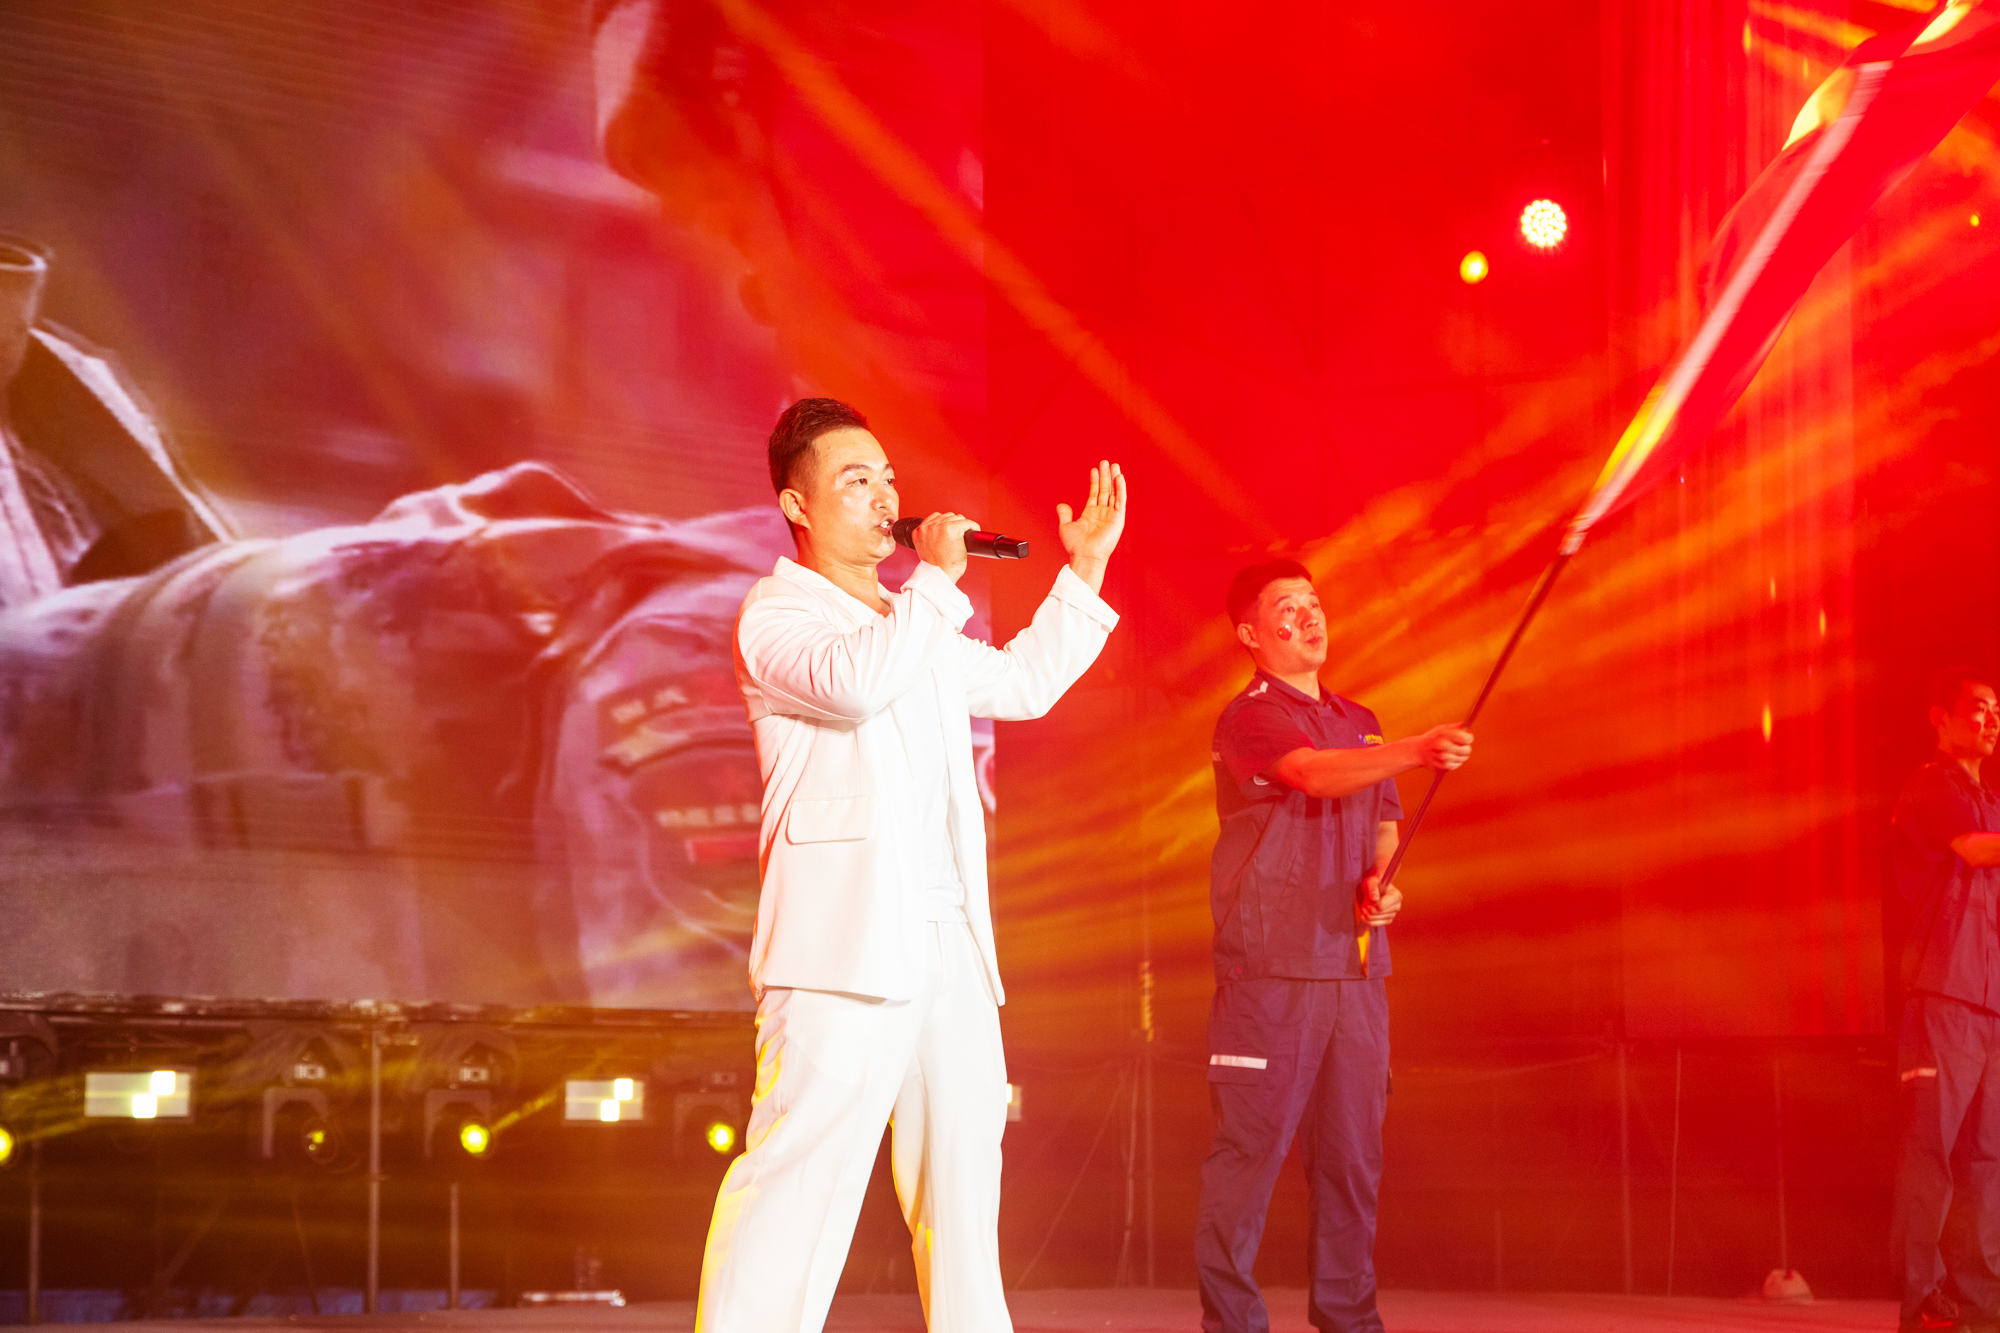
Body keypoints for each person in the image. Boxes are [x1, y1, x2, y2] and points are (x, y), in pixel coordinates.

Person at [695, 397, 1126, 1333]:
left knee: (964, 1177)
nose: (885, 496)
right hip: (841, 945)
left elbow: (1021, 683)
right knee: (799, 1177)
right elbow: (855, 686)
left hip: (946, 935)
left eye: (888, 477)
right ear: (797, 505)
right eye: (856, 480)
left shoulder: (911, 618)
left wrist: (1084, 570)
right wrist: (936, 580)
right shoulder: (777, 614)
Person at [1195, 558, 1473, 1333]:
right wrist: (1418, 748)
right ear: (1251, 634)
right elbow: (1314, 775)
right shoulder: (1250, 717)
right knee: (1248, 1158)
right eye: (1288, 606)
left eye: (1314, 602)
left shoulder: (1362, 719)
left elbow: (1383, 821)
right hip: (1271, 973)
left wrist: (1379, 881)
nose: (1310, 615)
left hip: (1354, 974)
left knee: (1351, 1163)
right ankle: (1234, 1323)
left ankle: (1350, 1319)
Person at [1891, 666, 2000, 1333]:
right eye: (1979, 707)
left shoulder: (1992, 801)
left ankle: (1983, 1307)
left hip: (1990, 1004)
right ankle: (1925, 1301)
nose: (1991, 720)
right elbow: (1975, 851)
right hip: (1941, 993)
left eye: (1998, 711)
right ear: (1942, 716)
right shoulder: (1933, 783)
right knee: (1929, 1152)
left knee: (1987, 1160)